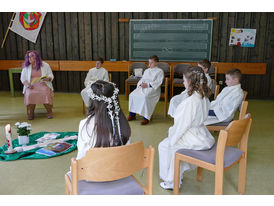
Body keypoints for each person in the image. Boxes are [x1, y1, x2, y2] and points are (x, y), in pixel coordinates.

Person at [158, 66, 215, 190]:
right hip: (202, 134)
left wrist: (172, 138)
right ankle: (178, 174)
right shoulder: (203, 96)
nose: (183, 82)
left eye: (184, 80)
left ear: (190, 82)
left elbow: (181, 126)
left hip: (193, 137)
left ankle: (171, 181)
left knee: (165, 146)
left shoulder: (190, 102)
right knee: (169, 144)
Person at [76, 80, 131, 160]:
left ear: (93, 102)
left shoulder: (85, 124)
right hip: (120, 170)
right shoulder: (122, 122)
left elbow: (81, 157)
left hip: (95, 170)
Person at [128, 55, 164, 125]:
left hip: (152, 89)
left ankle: (146, 117)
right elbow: (142, 79)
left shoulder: (160, 71)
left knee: (145, 97)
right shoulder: (147, 70)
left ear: (156, 63)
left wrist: (148, 85)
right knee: (132, 95)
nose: (149, 64)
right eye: (149, 63)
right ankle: (132, 115)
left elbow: (158, 82)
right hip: (143, 87)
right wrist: (141, 84)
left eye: (152, 63)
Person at [20, 50, 54, 120]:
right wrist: (27, 85)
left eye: (31, 56)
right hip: (31, 85)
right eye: (28, 57)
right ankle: (31, 113)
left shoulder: (45, 65)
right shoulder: (26, 67)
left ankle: (49, 112)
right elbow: (23, 78)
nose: (29, 58)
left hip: (43, 83)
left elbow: (51, 75)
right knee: (30, 93)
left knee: (45, 92)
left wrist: (48, 78)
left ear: (36, 57)